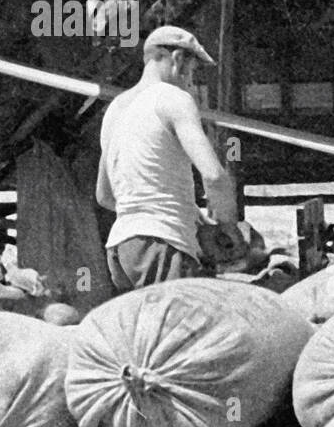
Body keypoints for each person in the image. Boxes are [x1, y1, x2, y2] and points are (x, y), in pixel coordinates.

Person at [96, 24, 241, 293]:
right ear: (177, 60)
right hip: (163, 245)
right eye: (192, 72)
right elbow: (214, 176)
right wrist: (229, 227)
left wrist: (190, 212)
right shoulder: (174, 99)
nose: (190, 81)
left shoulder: (115, 109)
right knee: (187, 332)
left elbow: (104, 196)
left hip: (121, 248)